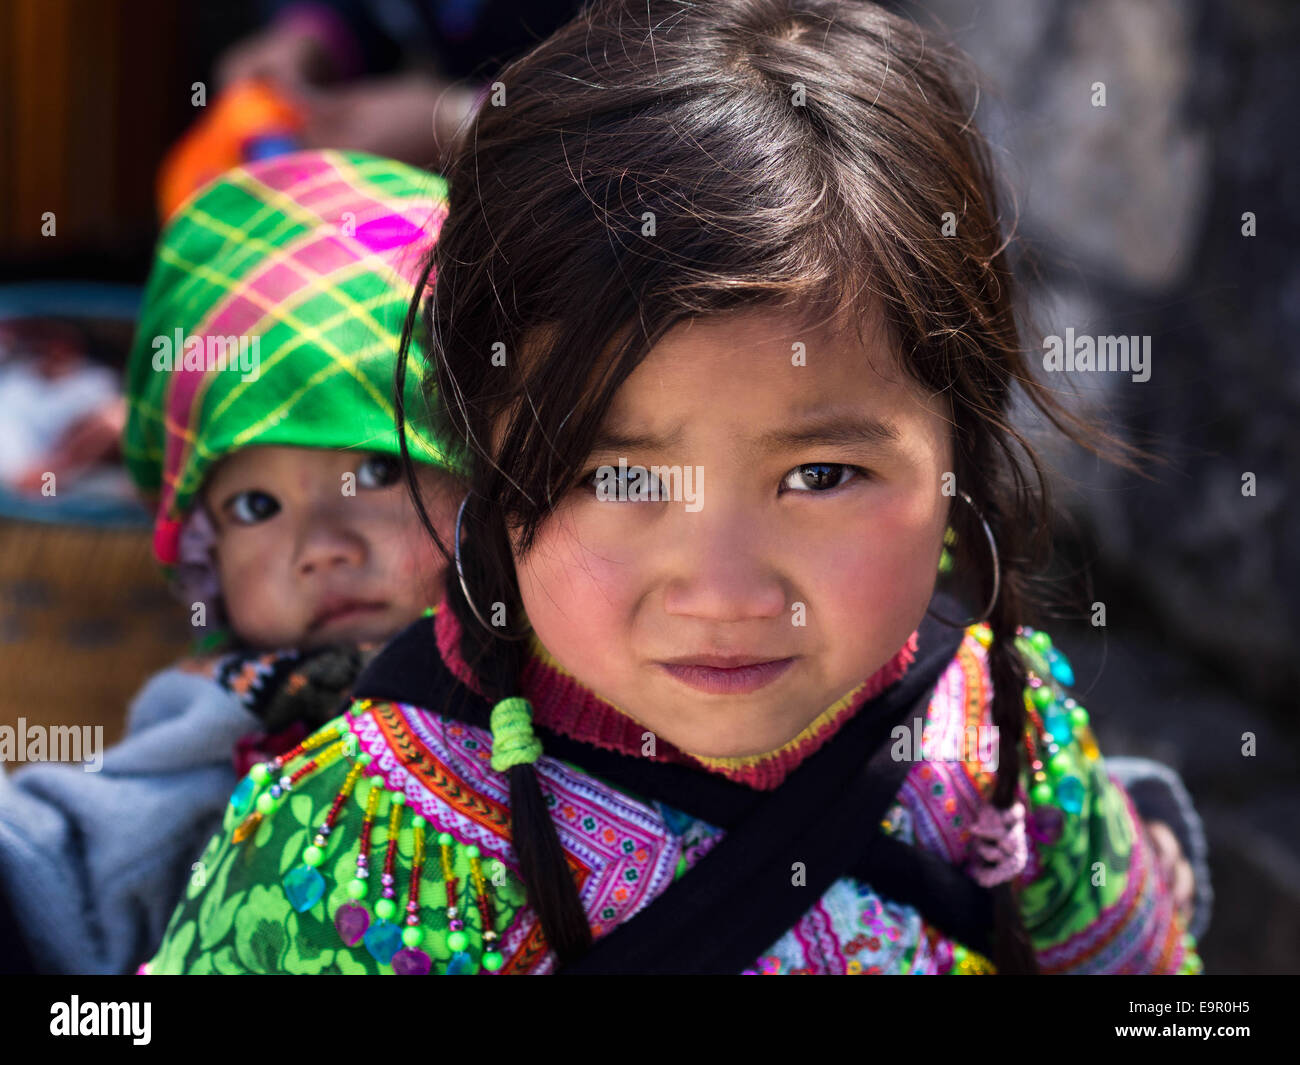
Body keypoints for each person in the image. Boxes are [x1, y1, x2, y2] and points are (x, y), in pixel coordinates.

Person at [145, 0, 1210, 975]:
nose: (726, 593)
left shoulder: (1005, 749)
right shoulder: (354, 854)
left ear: (959, 453)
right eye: (619, 476)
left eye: (821, 474)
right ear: (484, 456)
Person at [0, 148, 466, 975]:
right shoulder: (235, 712)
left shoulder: (564, 664)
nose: (320, 546)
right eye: (256, 507)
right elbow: (75, 842)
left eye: (378, 470)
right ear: (207, 559)